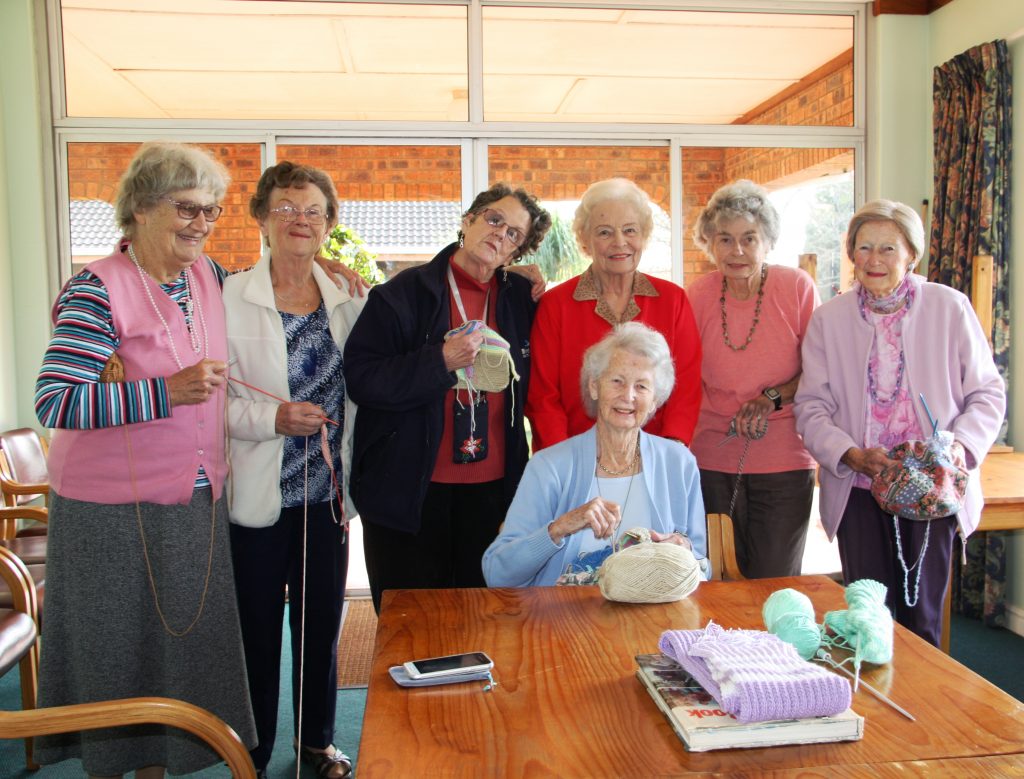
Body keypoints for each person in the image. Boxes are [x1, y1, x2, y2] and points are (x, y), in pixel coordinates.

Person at [33, 142, 257, 777]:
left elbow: (272, 294)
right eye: (187, 209)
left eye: (210, 211)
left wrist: (327, 268)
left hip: (192, 501)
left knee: (176, 653)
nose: (202, 224)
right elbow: (56, 399)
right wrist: (164, 392)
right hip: (108, 514)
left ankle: (157, 769)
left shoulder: (207, 277)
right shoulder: (96, 288)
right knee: (116, 656)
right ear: (139, 208)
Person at [795, 199, 1005, 646]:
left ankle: (925, 692)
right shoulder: (828, 320)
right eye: (864, 247)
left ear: (911, 254)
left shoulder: (950, 307)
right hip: (860, 486)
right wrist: (850, 454)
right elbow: (811, 406)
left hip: (933, 488)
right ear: (851, 254)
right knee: (866, 621)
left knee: (922, 619)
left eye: (888, 248)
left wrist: (959, 450)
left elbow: (988, 392)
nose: (874, 259)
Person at [343, 183, 552, 612]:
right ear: (468, 220)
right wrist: (439, 361)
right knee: (411, 621)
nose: (500, 234)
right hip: (411, 492)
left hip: (493, 493)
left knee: (484, 618)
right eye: (494, 219)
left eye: (514, 233)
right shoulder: (401, 294)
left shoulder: (520, 300)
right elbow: (362, 379)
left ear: (517, 252)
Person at [224, 162, 363, 778]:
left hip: (326, 497)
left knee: (320, 628)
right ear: (261, 217)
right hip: (257, 496)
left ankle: (316, 743)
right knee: (254, 630)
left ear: (329, 224)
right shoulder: (228, 298)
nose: (299, 221)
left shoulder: (351, 299)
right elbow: (209, 403)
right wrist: (272, 418)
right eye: (284, 208)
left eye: (312, 211)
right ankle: (250, 752)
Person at [484, 323, 708, 587]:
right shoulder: (549, 467)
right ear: (594, 387)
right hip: (565, 610)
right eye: (617, 381)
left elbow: (703, 569)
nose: (628, 396)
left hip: (653, 608)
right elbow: (497, 573)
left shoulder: (679, 463)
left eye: (641, 386)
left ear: (655, 402)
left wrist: (685, 552)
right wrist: (560, 527)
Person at [687, 180, 820, 578]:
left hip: (784, 457)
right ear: (710, 244)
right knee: (715, 577)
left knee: (773, 579)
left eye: (749, 238)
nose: (737, 251)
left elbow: (820, 368)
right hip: (711, 457)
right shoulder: (697, 296)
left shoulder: (796, 287)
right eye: (724, 239)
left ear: (768, 242)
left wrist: (772, 397)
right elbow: (682, 375)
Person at [526, 178, 702, 452]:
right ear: (585, 241)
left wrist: (671, 451)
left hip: (654, 455)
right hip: (573, 454)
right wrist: (562, 461)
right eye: (605, 232)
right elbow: (542, 395)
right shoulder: (555, 304)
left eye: (630, 230)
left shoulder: (673, 300)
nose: (620, 242)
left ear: (643, 236)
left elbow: (686, 388)